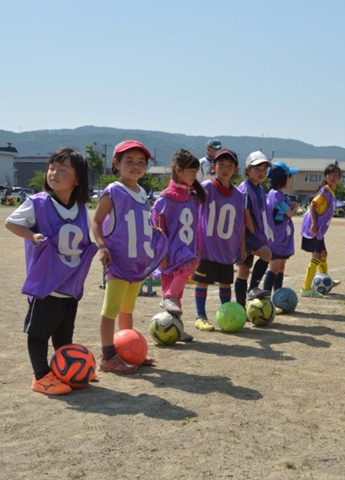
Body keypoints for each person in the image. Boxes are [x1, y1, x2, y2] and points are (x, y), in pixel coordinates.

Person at [5, 148, 97, 395]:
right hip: (47, 284)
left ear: (77, 179)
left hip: (71, 283)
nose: (54, 173)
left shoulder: (80, 207)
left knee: (64, 334)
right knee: (39, 333)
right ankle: (41, 375)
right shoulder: (38, 203)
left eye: (63, 170)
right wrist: (32, 235)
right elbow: (11, 222)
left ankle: (66, 370)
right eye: (52, 168)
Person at [92, 140, 168, 374]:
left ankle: (129, 348)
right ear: (116, 163)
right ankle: (108, 356)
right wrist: (102, 247)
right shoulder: (113, 191)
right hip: (118, 262)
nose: (135, 166)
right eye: (129, 161)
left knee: (127, 308)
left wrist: (153, 234)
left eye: (141, 162)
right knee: (111, 309)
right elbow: (96, 222)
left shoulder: (142, 192)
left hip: (137, 262)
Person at [151, 149, 206, 342]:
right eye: (191, 171)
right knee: (175, 288)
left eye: (195, 172)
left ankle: (176, 327)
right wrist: (160, 253)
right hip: (171, 251)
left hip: (187, 248)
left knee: (178, 296)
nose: (194, 175)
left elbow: (195, 226)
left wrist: (197, 246)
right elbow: (157, 227)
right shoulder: (165, 198)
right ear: (178, 170)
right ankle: (168, 297)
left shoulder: (191, 197)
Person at [192, 149, 246, 331]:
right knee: (203, 282)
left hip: (227, 248)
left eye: (230, 166)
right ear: (213, 167)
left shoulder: (239, 195)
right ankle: (201, 316)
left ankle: (227, 315)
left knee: (225, 283)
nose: (225, 168)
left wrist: (242, 246)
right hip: (206, 247)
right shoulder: (206, 187)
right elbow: (192, 210)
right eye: (221, 164)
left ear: (235, 170)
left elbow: (240, 224)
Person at [236, 151, 274, 307]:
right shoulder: (244, 189)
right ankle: (253, 288)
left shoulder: (260, 189)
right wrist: (251, 235)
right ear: (247, 170)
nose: (261, 173)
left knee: (244, 270)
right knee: (266, 254)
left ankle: (241, 307)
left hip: (254, 233)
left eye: (264, 170)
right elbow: (244, 216)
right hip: (245, 233)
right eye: (257, 169)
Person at [299, 163, 342, 298]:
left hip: (319, 231)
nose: (334, 177)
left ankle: (326, 280)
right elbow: (313, 205)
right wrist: (313, 223)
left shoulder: (331, 191)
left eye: (337, 175)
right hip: (313, 227)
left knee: (323, 254)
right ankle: (305, 288)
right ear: (325, 176)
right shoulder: (325, 191)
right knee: (316, 256)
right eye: (331, 174)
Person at [263, 161, 300, 299]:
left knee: (281, 267)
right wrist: (293, 208)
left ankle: (277, 297)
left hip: (282, 237)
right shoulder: (277, 195)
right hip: (277, 238)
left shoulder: (276, 194)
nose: (290, 179)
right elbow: (289, 213)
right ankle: (266, 297)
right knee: (274, 268)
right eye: (289, 176)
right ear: (282, 178)